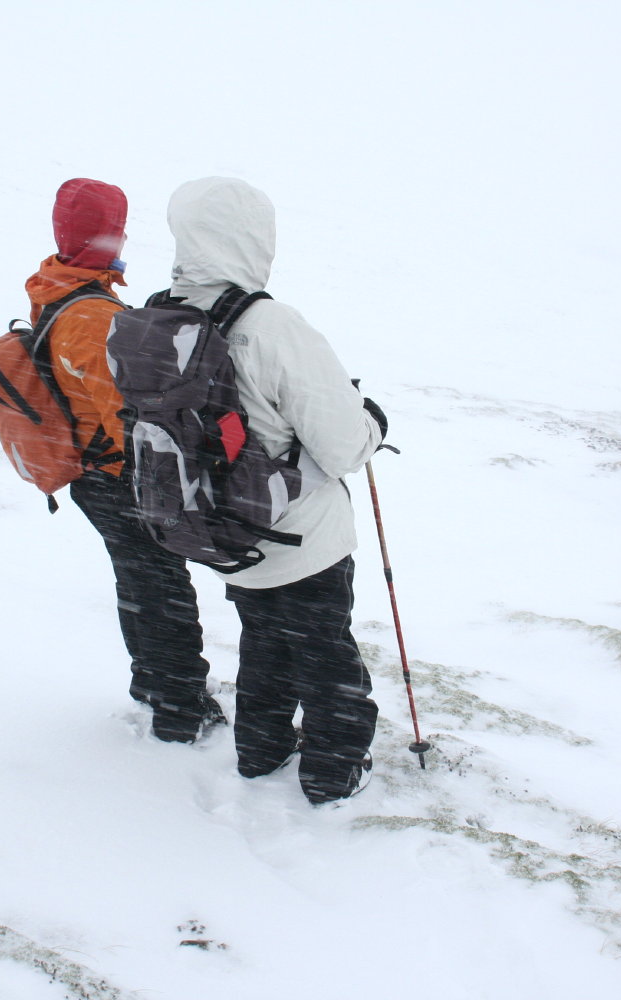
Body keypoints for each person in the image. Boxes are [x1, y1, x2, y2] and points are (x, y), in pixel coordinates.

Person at [162, 177, 388, 804]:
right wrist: (373, 422)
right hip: (299, 531)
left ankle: (260, 753)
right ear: (253, 236)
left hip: (218, 526)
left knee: (263, 641)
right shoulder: (269, 325)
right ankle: (332, 775)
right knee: (324, 654)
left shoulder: (162, 317)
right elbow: (342, 446)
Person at [25, 178, 223, 743]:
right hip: (118, 475)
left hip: (95, 472)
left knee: (140, 583)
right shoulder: (91, 314)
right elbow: (126, 412)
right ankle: (181, 710)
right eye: (115, 230)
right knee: (163, 590)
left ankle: (153, 684)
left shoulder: (58, 284)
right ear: (98, 237)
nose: (123, 239)